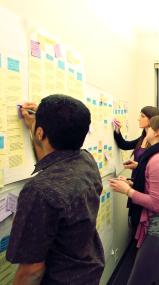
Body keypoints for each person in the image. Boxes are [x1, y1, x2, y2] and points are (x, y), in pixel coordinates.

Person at [6, 95, 104, 285]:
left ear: (41, 134)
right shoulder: (86, 160)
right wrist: (35, 127)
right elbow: (51, 161)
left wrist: (38, 129)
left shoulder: (39, 190)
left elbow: (32, 270)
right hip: (87, 273)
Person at [109, 115, 159, 285]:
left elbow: (156, 204)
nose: (147, 130)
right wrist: (131, 183)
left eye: (150, 127)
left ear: (158, 132)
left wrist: (128, 191)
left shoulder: (158, 160)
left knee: (138, 281)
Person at [113, 106, 159, 231]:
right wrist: (117, 131)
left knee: (142, 222)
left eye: (142, 116)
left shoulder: (155, 142)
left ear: (152, 120)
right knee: (135, 220)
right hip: (135, 183)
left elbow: (155, 168)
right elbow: (124, 145)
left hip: (145, 188)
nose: (138, 119)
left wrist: (138, 166)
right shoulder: (142, 138)